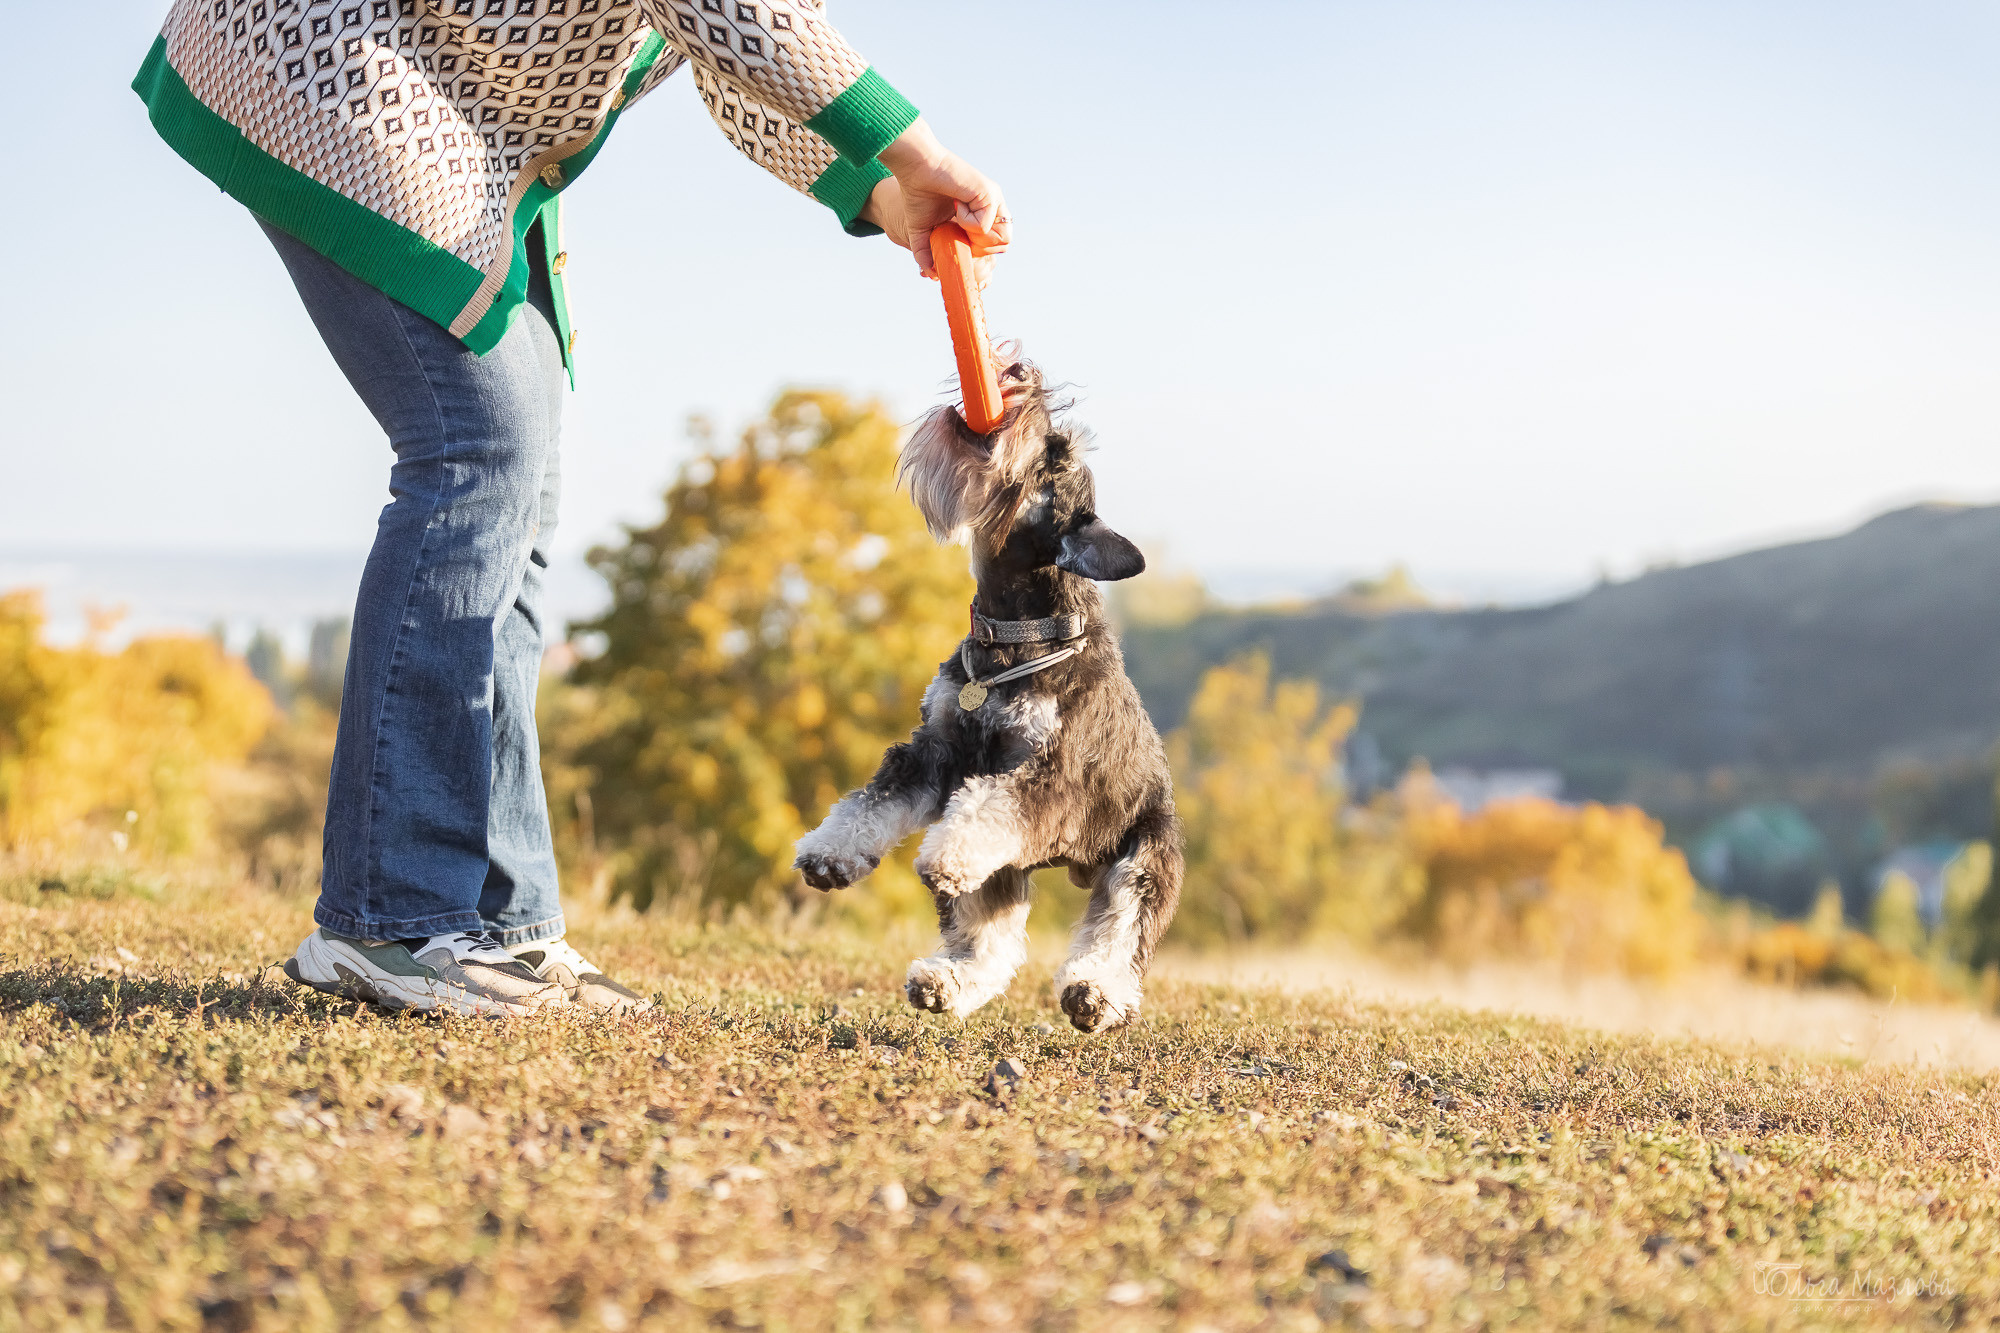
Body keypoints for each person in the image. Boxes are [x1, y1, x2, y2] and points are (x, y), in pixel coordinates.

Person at [133, 1, 1009, 1016]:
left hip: (456, 121)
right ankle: (393, 917)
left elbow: (723, 46)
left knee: (521, 476)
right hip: (331, 71)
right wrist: (917, 150)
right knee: (477, 447)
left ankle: (501, 925)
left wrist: (878, 189)